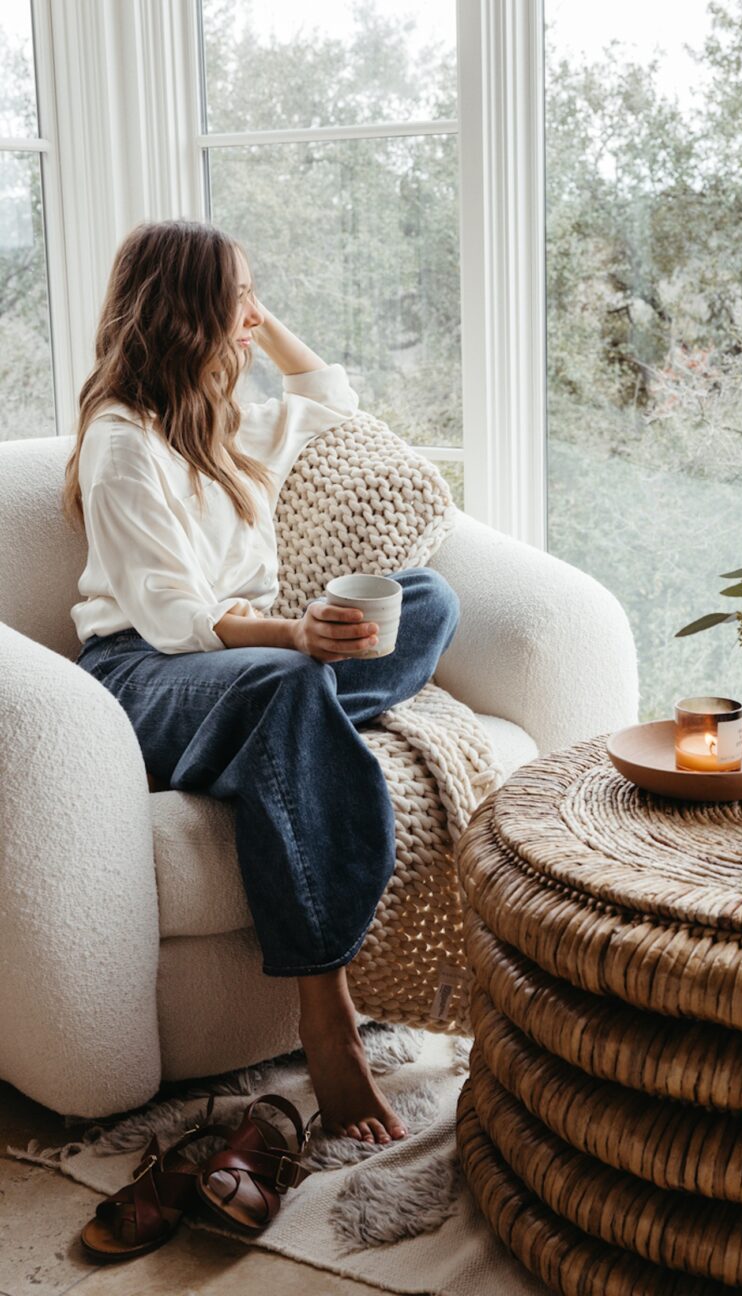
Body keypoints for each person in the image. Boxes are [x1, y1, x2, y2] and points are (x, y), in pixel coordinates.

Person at [64, 219, 461, 1147]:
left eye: (255, 295)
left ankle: (280, 734)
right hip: (147, 674)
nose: (251, 313)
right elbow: (172, 618)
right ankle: (329, 1025)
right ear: (186, 309)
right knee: (288, 685)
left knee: (430, 599)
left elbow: (333, 395)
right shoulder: (121, 441)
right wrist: (297, 637)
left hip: (254, 669)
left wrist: (259, 319)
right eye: (236, 295)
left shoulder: (231, 421)